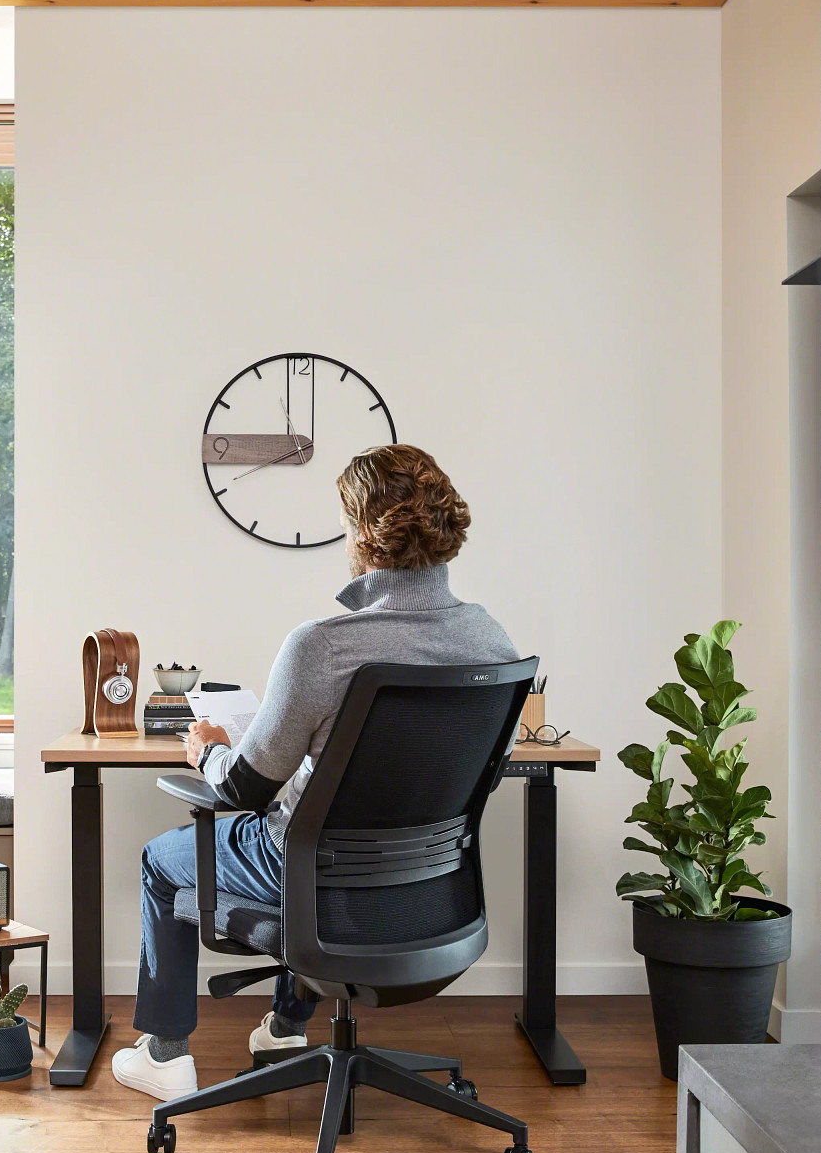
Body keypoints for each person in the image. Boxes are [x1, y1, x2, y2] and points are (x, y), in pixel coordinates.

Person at [111, 444, 519, 1102]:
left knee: (163, 860)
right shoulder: (490, 641)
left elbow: (246, 790)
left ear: (361, 532)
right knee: (321, 829)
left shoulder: (324, 645)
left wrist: (211, 748)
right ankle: (284, 1027)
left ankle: (164, 1054)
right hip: (427, 898)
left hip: (315, 882)